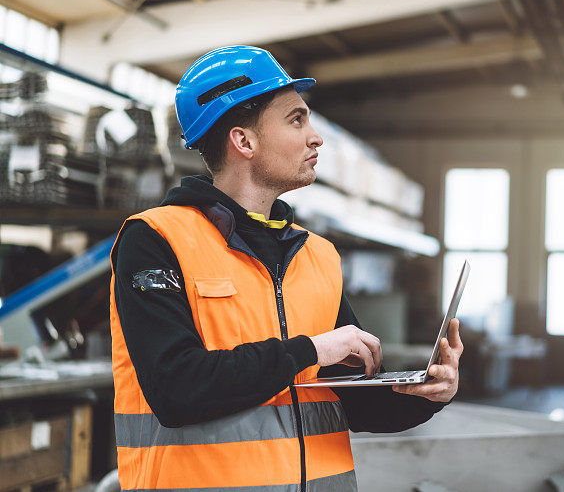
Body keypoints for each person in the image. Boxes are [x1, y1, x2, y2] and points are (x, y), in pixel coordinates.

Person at [109, 45, 463, 492]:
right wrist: (311, 350)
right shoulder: (156, 240)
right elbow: (176, 389)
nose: (316, 137)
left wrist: (427, 394)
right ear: (244, 141)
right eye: (297, 119)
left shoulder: (317, 255)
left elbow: (354, 406)